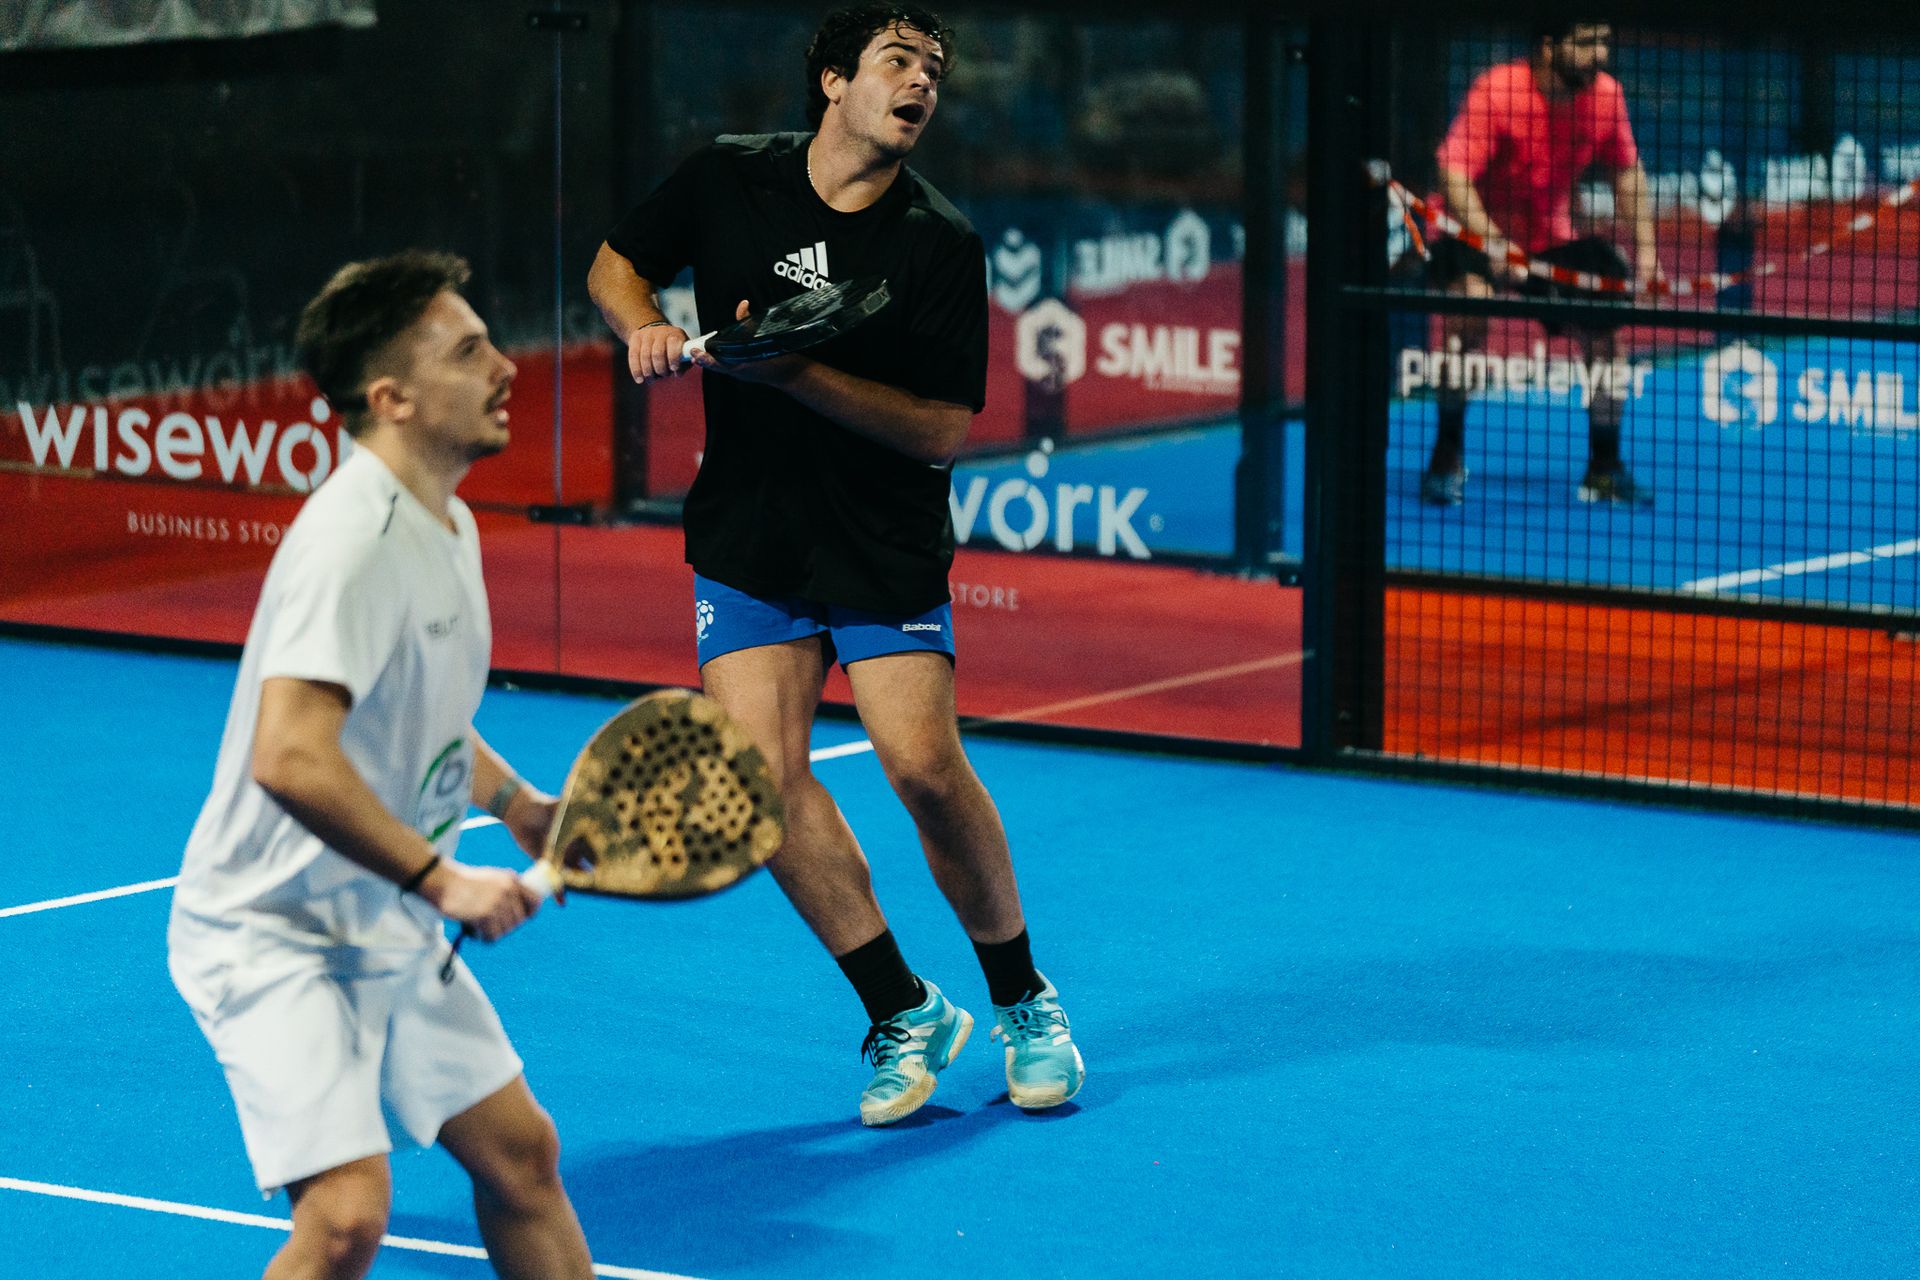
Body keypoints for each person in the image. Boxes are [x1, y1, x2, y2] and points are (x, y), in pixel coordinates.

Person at [586, 2, 1084, 1126]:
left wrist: (794, 373)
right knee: (761, 776)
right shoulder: (725, 179)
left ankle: (1023, 997)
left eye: (937, 70)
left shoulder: (939, 242)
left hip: (878, 535)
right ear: (832, 82)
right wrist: (644, 325)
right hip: (750, 530)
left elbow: (942, 432)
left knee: (919, 766)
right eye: (899, 61)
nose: (922, 83)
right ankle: (903, 1007)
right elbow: (617, 264)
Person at [167, 251, 597, 1280]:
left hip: (377, 914)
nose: (508, 365)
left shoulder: (442, 520)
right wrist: (445, 874)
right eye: (469, 350)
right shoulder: (349, 540)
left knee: (521, 1157)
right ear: (391, 397)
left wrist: (517, 803)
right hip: (271, 931)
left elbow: (423, 712)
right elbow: (291, 753)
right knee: (349, 1215)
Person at [1422, 20, 1662, 507]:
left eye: (1604, 43)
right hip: (1473, 231)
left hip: (1548, 239)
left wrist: (1648, 252)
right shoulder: (1497, 89)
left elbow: (1627, 173)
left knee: (1606, 333)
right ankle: (1446, 455)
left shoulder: (1606, 96)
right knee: (1469, 310)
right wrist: (1492, 243)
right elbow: (1453, 174)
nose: (1599, 55)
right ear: (1548, 47)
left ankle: (1603, 467)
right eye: (1586, 43)